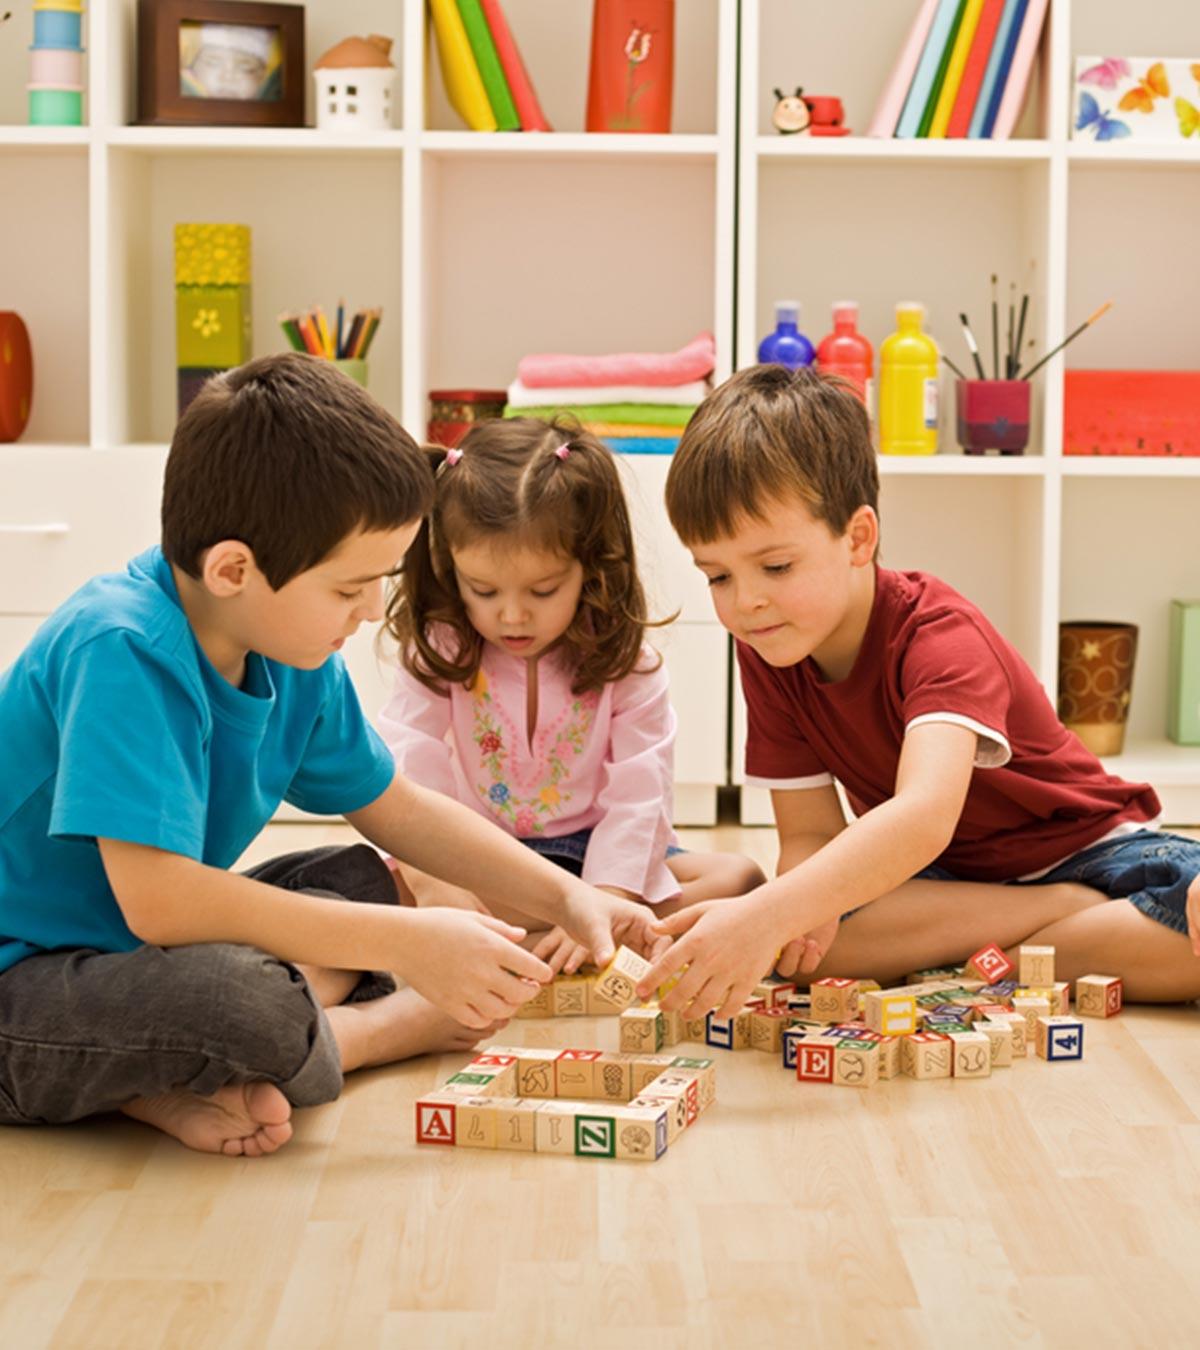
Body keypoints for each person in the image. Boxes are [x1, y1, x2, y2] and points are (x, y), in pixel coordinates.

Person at [0, 355, 659, 1157]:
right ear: (234, 570)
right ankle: (366, 1032)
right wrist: (407, 950)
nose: (372, 609)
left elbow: (400, 810)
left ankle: (163, 1078)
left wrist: (566, 898)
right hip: (25, 979)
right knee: (248, 1005)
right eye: (349, 589)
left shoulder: (289, 647)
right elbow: (162, 904)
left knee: (366, 878)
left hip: (132, 960)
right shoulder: (122, 647)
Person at [636, 364, 1200, 1016]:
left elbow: (923, 817)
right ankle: (1054, 928)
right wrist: (792, 914)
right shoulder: (769, 644)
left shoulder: (938, 633)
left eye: (775, 566)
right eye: (717, 576)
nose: (746, 602)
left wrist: (768, 916)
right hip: (951, 881)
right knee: (819, 945)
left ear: (858, 537)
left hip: (1093, 853)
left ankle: (1039, 942)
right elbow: (811, 836)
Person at [379, 416, 764, 972]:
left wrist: (607, 899)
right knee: (380, 889)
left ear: (591, 566)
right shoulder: (444, 645)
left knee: (741, 879)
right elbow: (408, 759)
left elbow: (640, 791)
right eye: (482, 590)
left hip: (595, 860)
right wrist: (437, 881)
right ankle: (544, 940)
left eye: (543, 589)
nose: (511, 614)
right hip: (487, 860)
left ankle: (542, 941)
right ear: (449, 567)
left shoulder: (629, 664)